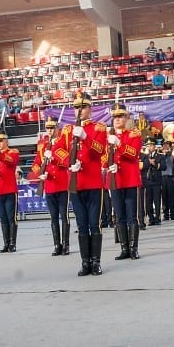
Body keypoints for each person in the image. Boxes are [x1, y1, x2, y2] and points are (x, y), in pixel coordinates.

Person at [53, 91, 107, 276]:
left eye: (82, 107)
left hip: (93, 183)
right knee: (82, 225)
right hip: (76, 184)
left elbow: (100, 151)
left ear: (90, 108)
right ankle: (85, 262)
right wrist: (69, 161)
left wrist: (86, 137)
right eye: (76, 107)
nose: (79, 110)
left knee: (94, 224)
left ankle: (96, 262)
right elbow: (57, 151)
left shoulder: (99, 128)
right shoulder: (67, 130)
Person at [107, 103, 142, 260]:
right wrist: (108, 164)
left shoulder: (134, 135)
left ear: (126, 118)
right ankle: (124, 248)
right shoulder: (108, 137)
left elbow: (133, 154)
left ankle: (134, 248)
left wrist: (119, 144)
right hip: (115, 179)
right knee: (119, 215)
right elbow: (102, 156)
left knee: (131, 216)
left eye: (120, 116)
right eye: (114, 117)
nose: (117, 119)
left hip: (129, 179)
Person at [34, 116, 70, 255]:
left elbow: (66, 162)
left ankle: (66, 245)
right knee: (53, 217)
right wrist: (40, 174)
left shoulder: (62, 143)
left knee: (64, 216)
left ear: (57, 129)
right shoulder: (42, 145)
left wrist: (54, 158)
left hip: (62, 185)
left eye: (52, 128)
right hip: (49, 186)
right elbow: (36, 164)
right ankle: (57, 244)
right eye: (47, 128)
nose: (49, 130)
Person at [141, 138, 164, 226]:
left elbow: (163, 166)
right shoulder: (144, 156)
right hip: (147, 181)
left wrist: (155, 164)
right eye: (148, 146)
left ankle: (157, 218)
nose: (150, 147)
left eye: (151, 145)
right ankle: (151, 218)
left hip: (156, 180)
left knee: (157, 200)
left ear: (154, 146)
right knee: (148, 201)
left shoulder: (160, 156)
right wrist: (148, 162)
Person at [159, 141, 174, 221]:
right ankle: (166, 214)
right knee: (164, 197)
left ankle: (173, 214)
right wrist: (162, 153)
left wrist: (170, 150)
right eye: (164, 145)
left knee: (171, 196)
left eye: (167, 146)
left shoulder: (171, 154)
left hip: (170, 177)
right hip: (162, 177)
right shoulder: (160, 155)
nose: (165, 147)